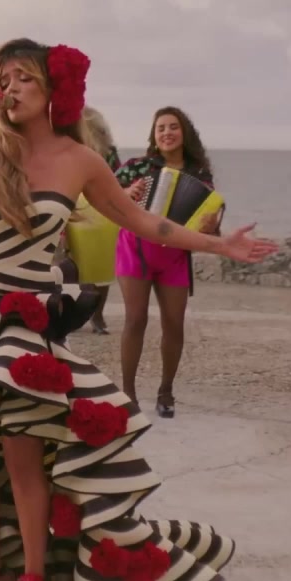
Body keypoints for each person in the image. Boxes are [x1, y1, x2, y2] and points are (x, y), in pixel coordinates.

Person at [0, 38, 276, 581]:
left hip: (24, 327)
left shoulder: (79, 161)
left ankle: (35, 575)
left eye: (24, 77)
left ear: (53, 89)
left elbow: (145, 222)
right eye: (3, 77)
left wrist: (220, 245)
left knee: (26, 462)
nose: (11, 87)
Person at [113, 107, 220, 419]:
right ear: (154, 135)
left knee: (174, 324)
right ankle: (128, 393)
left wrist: (211, 226)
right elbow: (104, 196)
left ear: (184, 132)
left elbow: (208, 228)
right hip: (135, 248)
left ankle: (166, 391)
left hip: (174, 254)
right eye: (160, 128)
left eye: (173, 127)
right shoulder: (137, 167)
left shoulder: (201, 175)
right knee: (135, 320)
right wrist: (126, 192)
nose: (167, 133)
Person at [63, 106, 122, 334]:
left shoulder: (108, 153)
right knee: (78, 266)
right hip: (76, 209)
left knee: (101, 267)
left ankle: (95, 315)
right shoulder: (68, 149)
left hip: (101, 212)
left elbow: (118, 180)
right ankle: (82, 313)